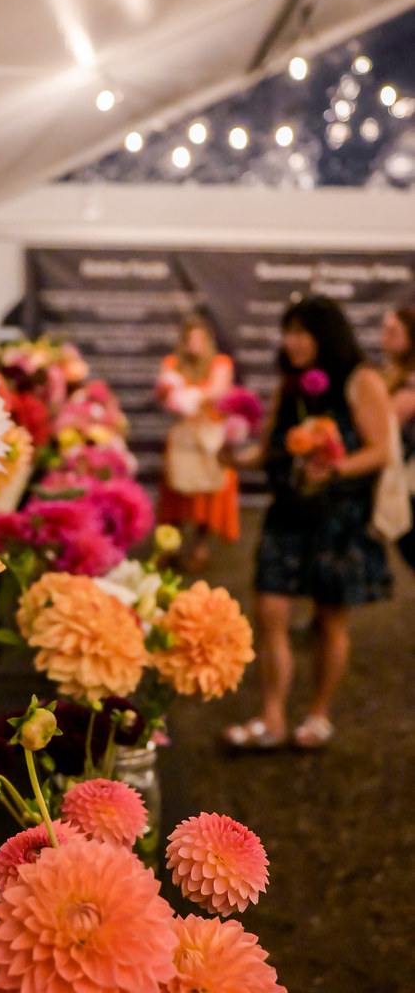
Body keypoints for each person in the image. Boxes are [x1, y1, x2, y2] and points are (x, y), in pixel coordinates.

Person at [223, 294, 392, 750]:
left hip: (339, 517)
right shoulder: (290, 384)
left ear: (326, 334)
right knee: (269, 611)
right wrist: (233, 455)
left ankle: (319, 714)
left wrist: (335, 468)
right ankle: (272, 717)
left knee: (329, 619)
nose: (291, 342)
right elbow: (269, 449)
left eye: (301, 332)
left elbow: (380, 450)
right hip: (288, 511)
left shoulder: (362, 379)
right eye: (288, 332)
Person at [155, 309, 239, 572]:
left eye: (200, 339)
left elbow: (218, 392)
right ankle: (168, 546)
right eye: (190, 340)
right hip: (183, 442)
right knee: (176, 497)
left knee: (210, 494)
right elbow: (164, 395)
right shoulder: (172, 364)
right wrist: (171, 394)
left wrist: (189, 396)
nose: (195, 345)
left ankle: (199, 547)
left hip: (209, 438)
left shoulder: (220, 363)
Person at [381, 304, 415, 570]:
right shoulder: (392, 374)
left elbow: (384, 425)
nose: (384, 337)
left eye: (393, 331)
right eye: (384, 330)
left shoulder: (410, 384)